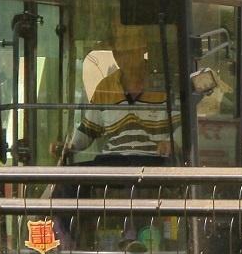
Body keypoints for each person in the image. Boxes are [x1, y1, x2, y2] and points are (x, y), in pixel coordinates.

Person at [60, 26, 177, 162]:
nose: (124, 57)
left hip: (156, 166)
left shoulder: (165, 84)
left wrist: (172, 143)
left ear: (143, 50)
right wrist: (69, 146)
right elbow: (88, 130)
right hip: (113, 166)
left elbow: (183, 126)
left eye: (130, 52)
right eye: (118, 53)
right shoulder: (105, 88)